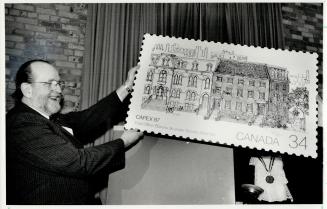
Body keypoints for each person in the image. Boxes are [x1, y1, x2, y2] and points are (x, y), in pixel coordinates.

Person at [6, 59, 143, 204]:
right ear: (27, 90)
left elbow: (89, 118)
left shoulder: (47, 118)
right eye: (49, 84)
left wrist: (127, 86)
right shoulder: (22, 123)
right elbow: (79, 162)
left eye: (58, 83)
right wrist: (124, 141)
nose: (58, 90)